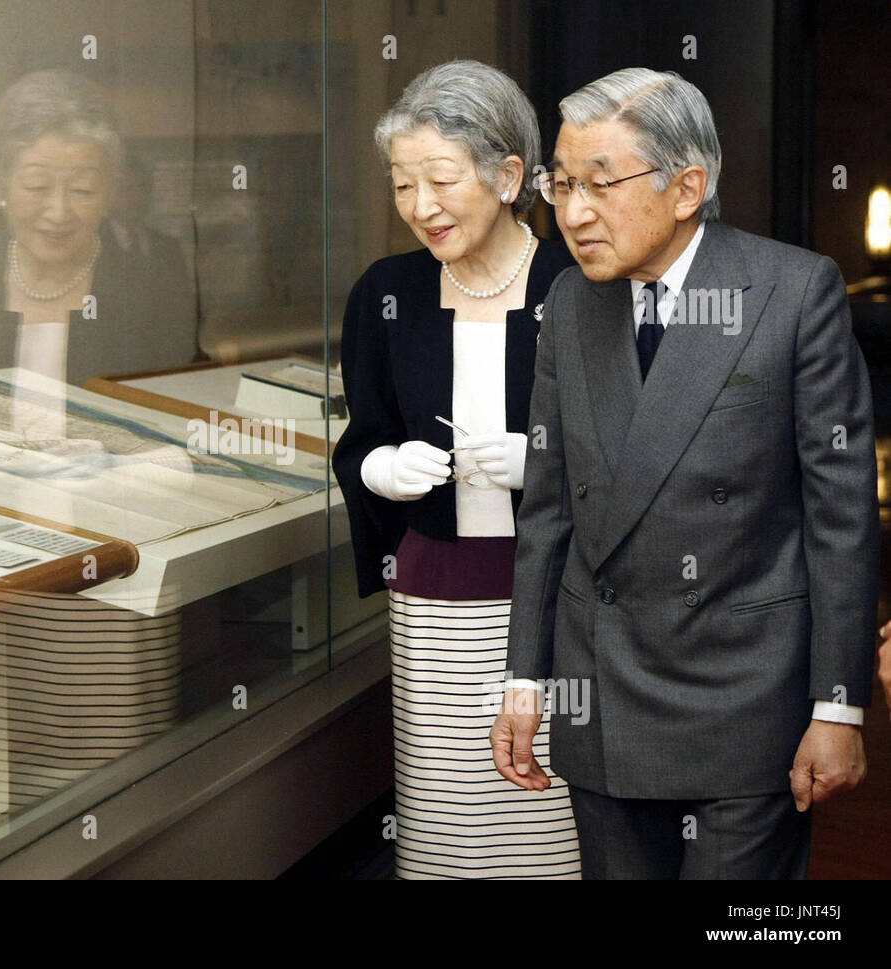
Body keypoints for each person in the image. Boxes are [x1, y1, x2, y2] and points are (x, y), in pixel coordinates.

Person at [491, 67, 879, 879]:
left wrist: (838, 704)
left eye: (600, 183)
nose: (572, 212)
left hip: (743, 701)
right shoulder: (569, 302)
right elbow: (549, 508)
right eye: (561, 184)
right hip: (601, 692)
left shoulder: (792, 290)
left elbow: (840, 518)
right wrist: (524, 679)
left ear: (687, 187)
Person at [333, 59, 580, 879]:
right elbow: (360, 434)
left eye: (439, 180)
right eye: (403, 185)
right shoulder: (385, 292)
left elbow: (641, 456)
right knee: (447, 825)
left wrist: (543, 464)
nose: (419, 207)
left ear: (511, 175)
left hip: (560, 602)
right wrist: (379, 470)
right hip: (436, 601)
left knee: (550, 814)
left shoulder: (579, 286)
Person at [0, 68, 197, 387]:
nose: (59, 213)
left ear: (109, 194)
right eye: (37, 186)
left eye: (82, 190)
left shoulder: (150, 295)